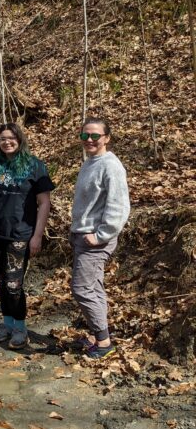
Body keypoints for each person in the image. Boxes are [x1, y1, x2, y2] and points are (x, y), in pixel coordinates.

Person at [0, 123, 54, 350]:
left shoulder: (35, 166)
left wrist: (37, 235)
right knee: (0, 281)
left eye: (11, 138)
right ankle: (7, 324)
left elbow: (44, 203)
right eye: (2, 139)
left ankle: (20, 328)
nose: (6, 142)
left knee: (13, 283)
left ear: (20, 139)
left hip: (21, 233)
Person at [70, 117, 130, 359]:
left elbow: (119, 206)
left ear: (107, 138)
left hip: (94, 240)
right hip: (82, 235)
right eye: (85, 136)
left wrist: (102, 235)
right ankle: (100, 336)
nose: (90, 140)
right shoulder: (91, 162)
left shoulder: (110, 166)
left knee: (82, 288)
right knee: (93, 286)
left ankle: (104, 343)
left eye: (95, 136)